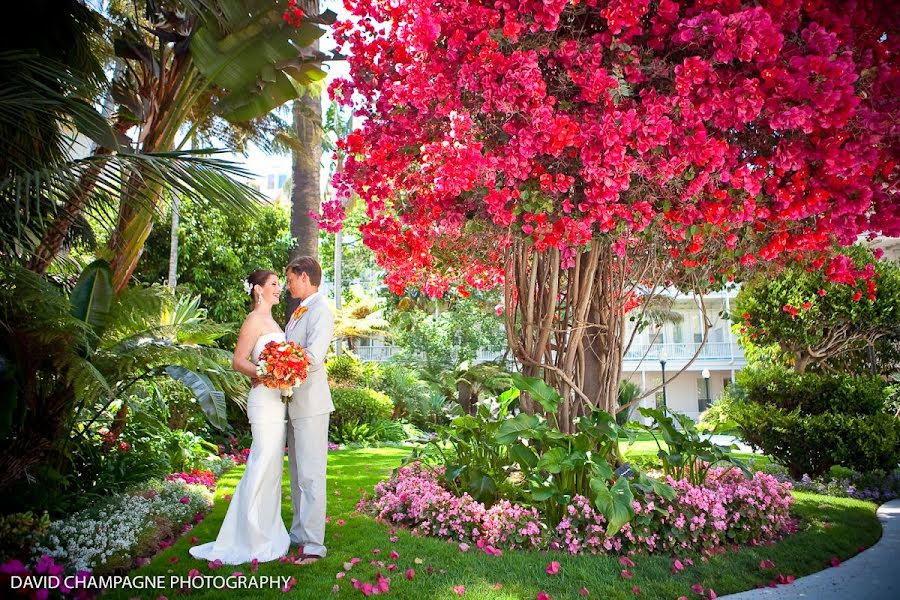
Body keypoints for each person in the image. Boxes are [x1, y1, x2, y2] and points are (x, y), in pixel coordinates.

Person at [189, 269, 290, 564]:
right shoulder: (254, 320)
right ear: (258, 289)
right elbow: (238, 360)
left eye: (279, 285)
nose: (278, 289)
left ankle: (269, 531)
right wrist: (264, 372)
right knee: (261, 462)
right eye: (273, 284)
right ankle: (249, 536)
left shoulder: (273, 321)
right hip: (262, 398)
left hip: (278, 399)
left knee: (272, 467)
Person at [283, 256, 335, 564]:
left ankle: (315, 544)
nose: (288, 284)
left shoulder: (321, 311)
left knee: (312, 475)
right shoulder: (299, 311)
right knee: (298, 473)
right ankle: (299, 533)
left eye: (291, 279)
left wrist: (281, 357)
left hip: (312, 404)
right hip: (294, 403)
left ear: (305, 277)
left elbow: (314, 355)